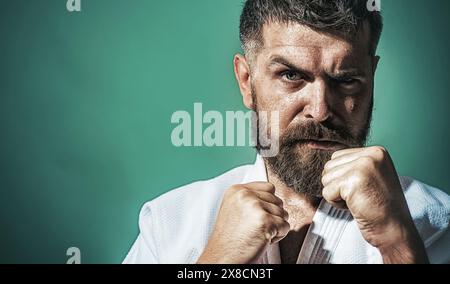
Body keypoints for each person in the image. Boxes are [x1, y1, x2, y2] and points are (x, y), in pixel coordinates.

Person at [123, 0, 450, 264]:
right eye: (291, 75)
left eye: (347, 80)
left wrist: (398, 245)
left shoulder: (438, 223)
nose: (320, 110)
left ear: (371, 78)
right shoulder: (169, 223)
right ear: (247, 81)